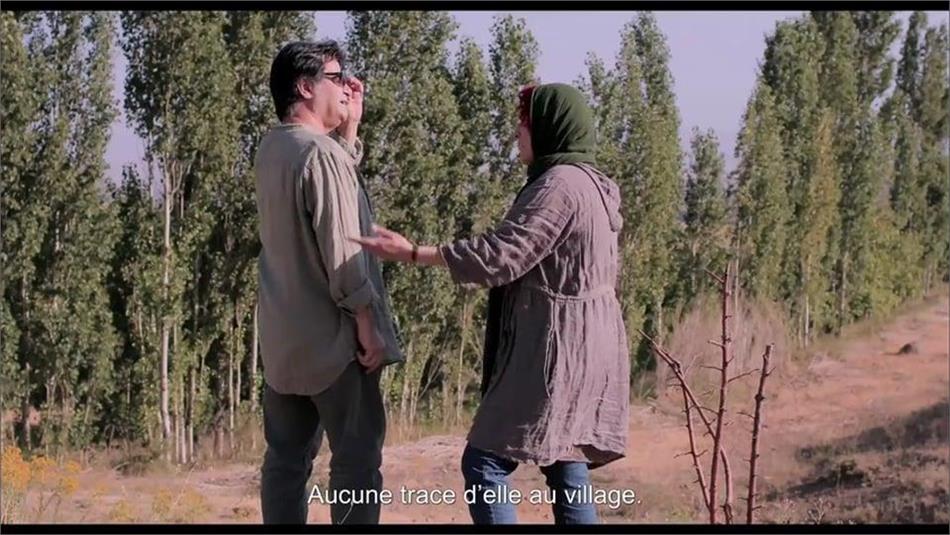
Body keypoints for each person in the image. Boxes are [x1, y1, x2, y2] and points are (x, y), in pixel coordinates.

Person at [354, 82, 630, 525]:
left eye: (525, 124)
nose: (518, 133)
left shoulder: (560, 185)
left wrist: (414, 253)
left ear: (550, 128)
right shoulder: (592, 184)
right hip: (588, 347)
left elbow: (502, 256)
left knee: (485, 463)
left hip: (555, 350)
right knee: (566, 462)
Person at [254, 40, 403, 525]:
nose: (347, 87)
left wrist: (349, 130)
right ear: (304, 86)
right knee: (356, 462)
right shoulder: (320, 155)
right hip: (335, 344)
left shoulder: (273, 148)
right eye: (337, 78)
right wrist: (367, 322)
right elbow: (344, 249)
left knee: (285, 462)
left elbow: (326, 191)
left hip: (284, 344)